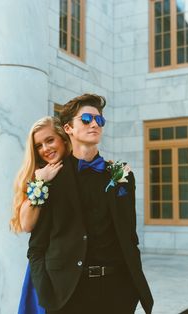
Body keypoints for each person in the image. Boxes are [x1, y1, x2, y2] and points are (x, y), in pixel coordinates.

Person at [27, 93, 154, 314]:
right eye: (86, 119)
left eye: (99, 120)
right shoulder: (50, 178)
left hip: (117, 292)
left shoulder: (121, 174)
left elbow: (129, 236)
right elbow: (37, 247)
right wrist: (47, 294)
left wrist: (130, 290)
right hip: (67, 294)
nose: (94, 124)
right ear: (68, 128)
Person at [10, 116, 71, 314]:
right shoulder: (36, 175)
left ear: (63, 138)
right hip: (44, 268)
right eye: (38, 145)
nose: (45, 148)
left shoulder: (77, 169)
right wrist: (41, 183)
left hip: (74, 263)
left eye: (50, 140)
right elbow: (26, 224)